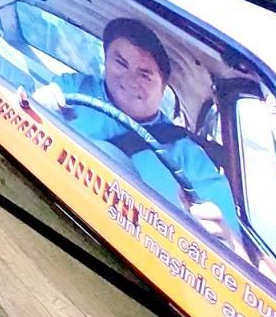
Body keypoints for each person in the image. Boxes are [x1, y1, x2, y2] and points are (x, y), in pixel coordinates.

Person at [29, 17, 245, 255]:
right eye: (120, 63)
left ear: (163, 87)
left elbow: (229, 243)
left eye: (145, 74)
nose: (129, 80)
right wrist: (37, 105)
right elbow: (27, 117)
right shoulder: (73, 89)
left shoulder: (189, 157)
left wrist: (222, 234)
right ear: (105, 60)